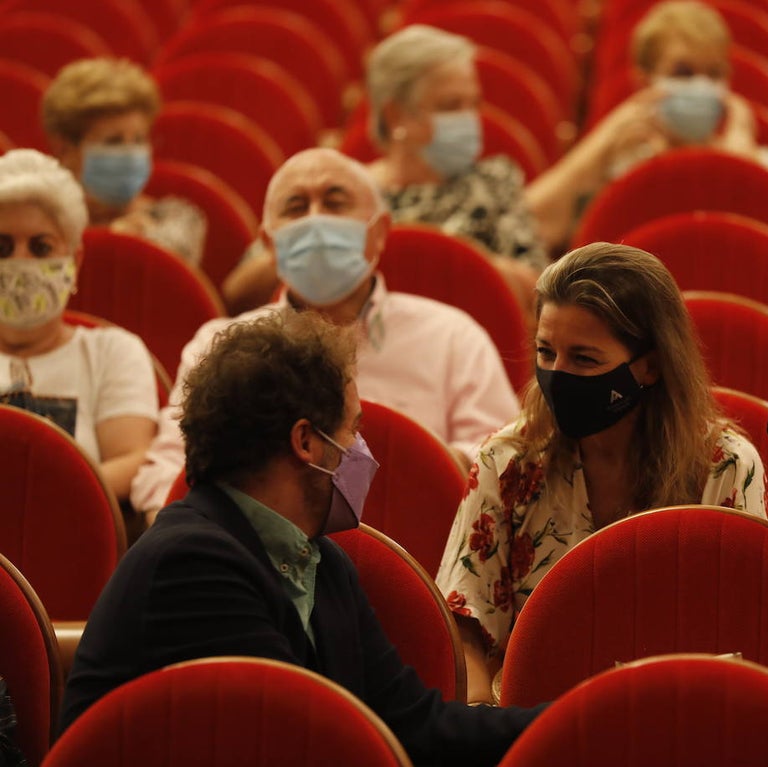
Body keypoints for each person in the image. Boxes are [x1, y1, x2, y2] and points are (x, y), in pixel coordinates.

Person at [60, 310, 543, 765]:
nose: (362, 451)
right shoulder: (190, 565)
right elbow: (298, 744)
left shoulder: (321, 561)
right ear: (307, 442)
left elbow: (417, 725)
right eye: (353, 429)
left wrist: (582, 719)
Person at [436, 242, 768, 703]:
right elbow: (466, 625)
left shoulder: (726, 465)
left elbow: (744, 633)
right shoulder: (508, 460)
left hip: (682, 713)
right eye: (546, 352)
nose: (557, 374)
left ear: (649, 367)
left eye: (584, 359)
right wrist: (479, 720)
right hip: (532, 716)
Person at [129, 148, 518, 518]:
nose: (315, 221)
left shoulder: (452, 337)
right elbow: (165, 472)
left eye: (335, 203)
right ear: (269, 243)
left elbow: (507, 460)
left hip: (421, 554)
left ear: (379, 232)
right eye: (296, 207)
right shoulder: (220, 346)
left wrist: (421, 467)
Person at [223, 25, 546, 317]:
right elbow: (238, 294)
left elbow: (540, 293)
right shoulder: (338, 188)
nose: (470, 119)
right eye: (451, 106)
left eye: (473, 104)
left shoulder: (494, 180)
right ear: (395, 116)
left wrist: (454, 259)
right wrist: (314, 241)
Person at [525, 0, 768, 251]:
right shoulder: (613, 172)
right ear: (645, 81)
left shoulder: (763, 166)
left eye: (714, 73)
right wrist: (601, 144)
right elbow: (524, 225)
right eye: (683, 73)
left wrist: (740, 166)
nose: (701, 85)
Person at [0, 149, 157, 504]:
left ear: (74, 260)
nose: (19, 262)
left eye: (41, 247)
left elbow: (134, 461)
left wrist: (32, 497)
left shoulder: (114, 352)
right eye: (2, 246)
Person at [41, 58, 206, 267]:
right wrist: (110, 239)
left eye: (139, 140)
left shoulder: (176, 217)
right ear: (64, 150)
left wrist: (122, 245)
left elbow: (169, 271)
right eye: (113, 141)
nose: (130, 154)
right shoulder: (35, 225)